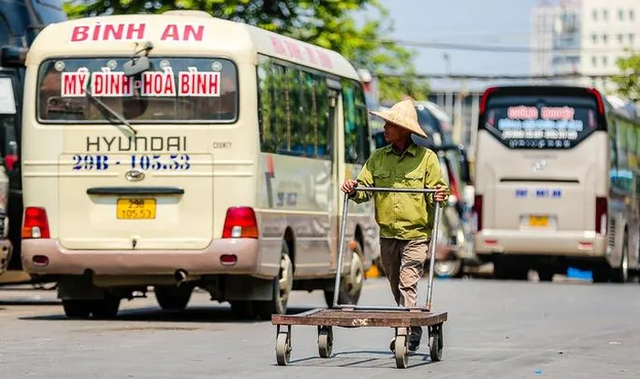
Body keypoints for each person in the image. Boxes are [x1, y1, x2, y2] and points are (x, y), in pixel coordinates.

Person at [341, 99, 449, 352]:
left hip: (416, 234)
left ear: (404, 130)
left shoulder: (426, 159)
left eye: (390, 125)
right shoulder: (378, 158)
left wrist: (439, 195)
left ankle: (403, 332)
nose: (385, 129)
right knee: (395, 284)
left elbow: (439, 189)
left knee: (407, 282)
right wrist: (353, 188)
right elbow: (364, 190)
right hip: (388, 234)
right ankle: (413, 325)